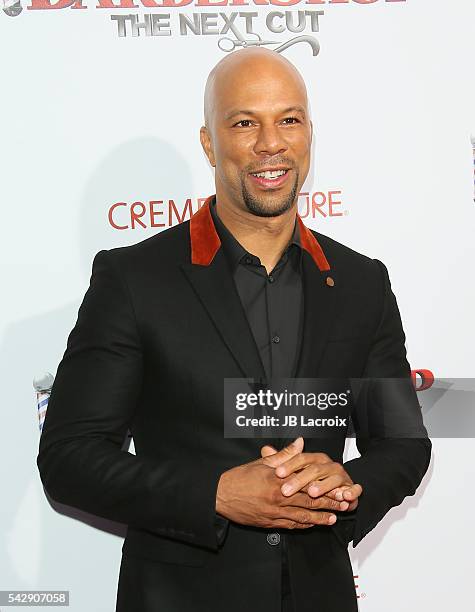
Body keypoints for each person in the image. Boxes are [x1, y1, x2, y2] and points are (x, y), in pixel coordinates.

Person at [37, 47, 431, 612]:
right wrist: (214, 494)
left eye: (288, 120)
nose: (271, 143)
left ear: (309, 135)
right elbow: (69, 457)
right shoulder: (134, 278)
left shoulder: (360, 282)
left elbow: (403, 444)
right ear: (208, 142)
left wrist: (339, 488)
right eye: (245, 122)